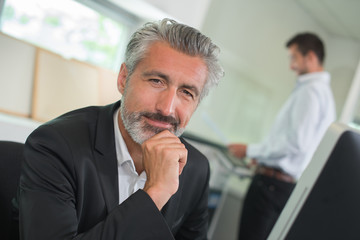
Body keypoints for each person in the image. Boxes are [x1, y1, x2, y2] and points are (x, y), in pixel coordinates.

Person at [15, 18, 224, 239]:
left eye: (186, 93)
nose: (167, 108)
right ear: (124, 78)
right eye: (156, 81)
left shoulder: (196, 168)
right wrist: (155, 193)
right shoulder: (55, 145)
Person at [228, 32, 336, 240]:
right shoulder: (323, 94)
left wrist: (250, 150)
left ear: (311, 57)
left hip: (271, 187)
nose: (291, 66)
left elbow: (296, 144)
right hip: (281, 186)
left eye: (294, 57)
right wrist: (264, 156)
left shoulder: (311, 91)